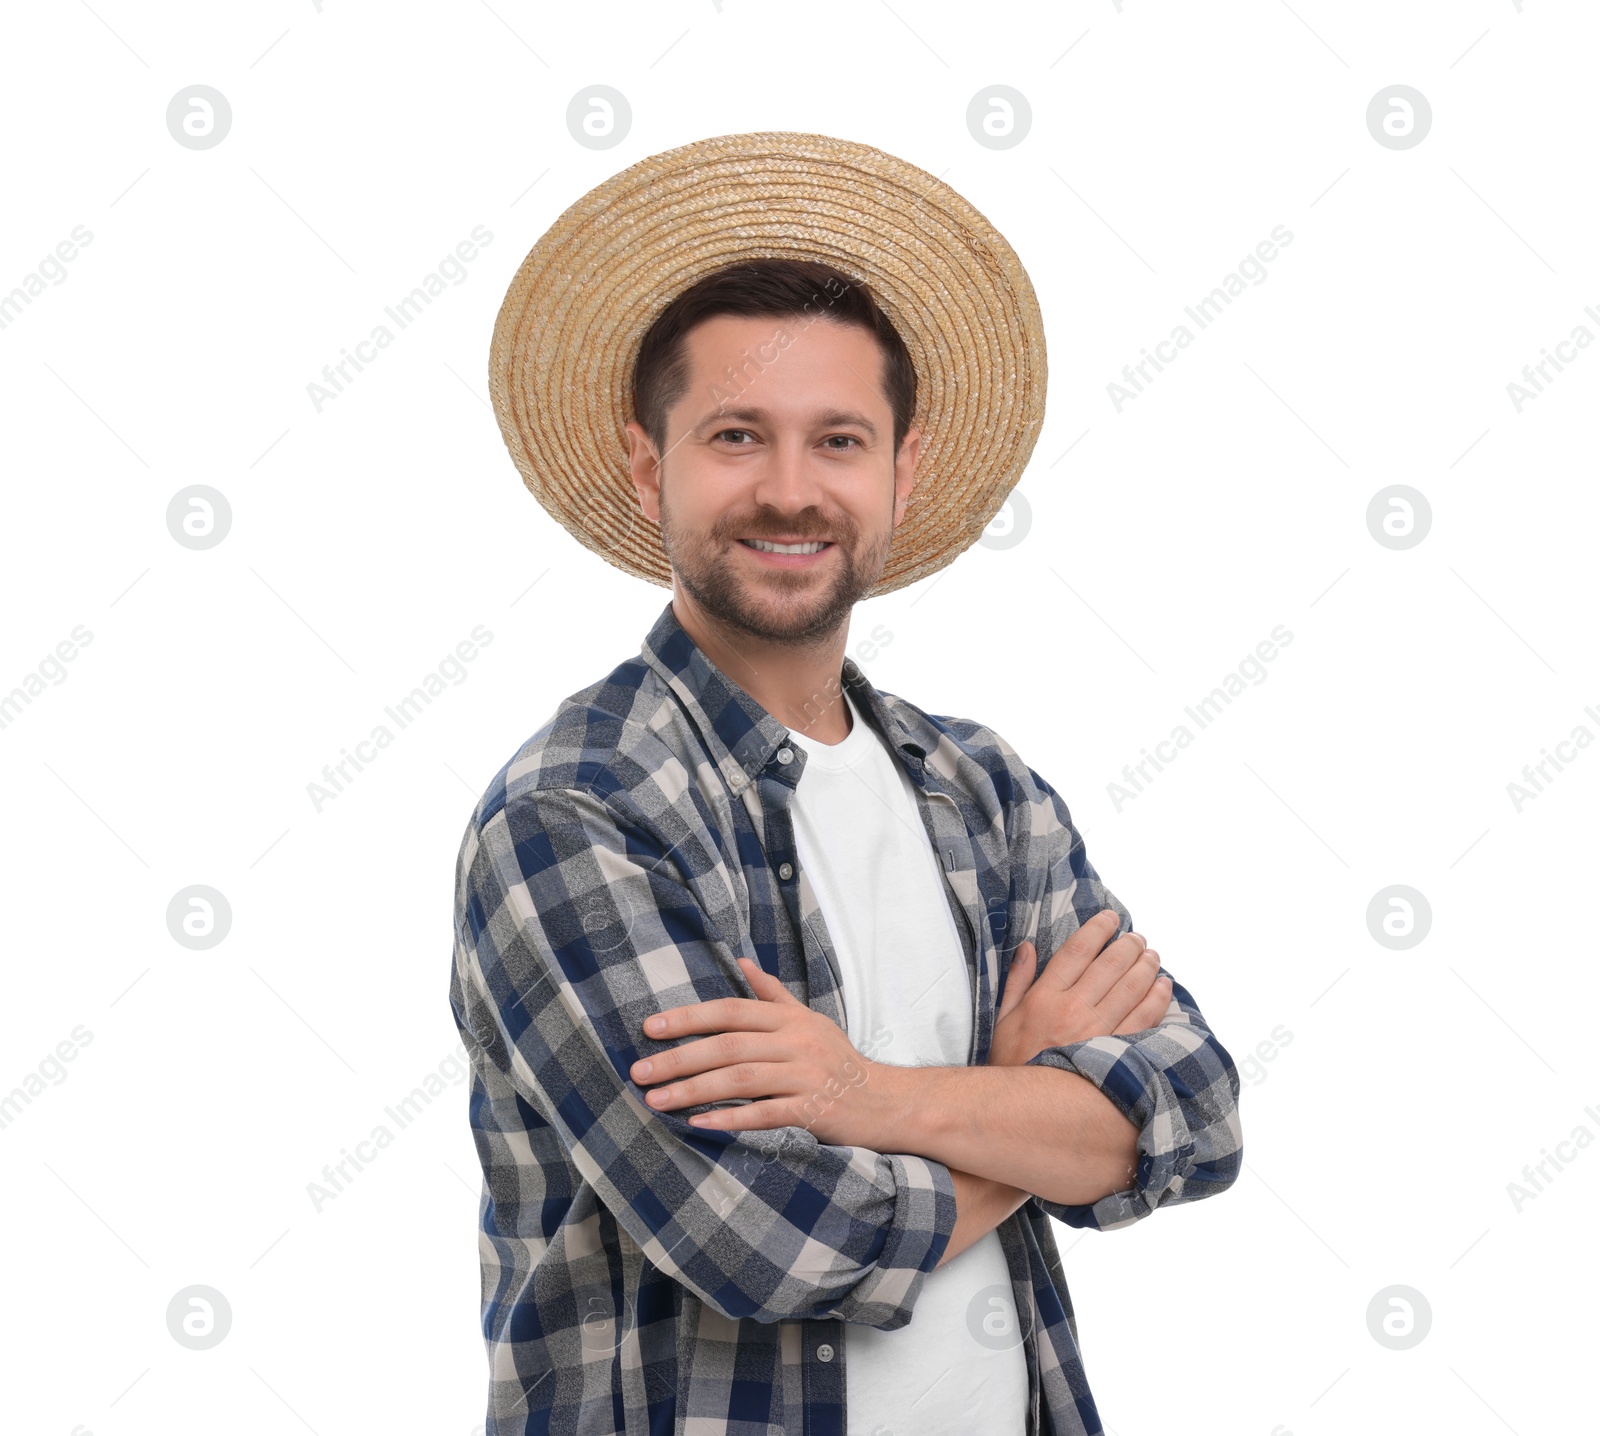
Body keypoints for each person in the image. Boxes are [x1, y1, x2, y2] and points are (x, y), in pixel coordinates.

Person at [451, 131, 1242, 1436]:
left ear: (899, 473)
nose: (788, 489)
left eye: (837, 439)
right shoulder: (575, 816)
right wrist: (1022, 1097)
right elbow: (765, 1242)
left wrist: (860, 1095)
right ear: (650, 469)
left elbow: (1193, 1114)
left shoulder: (983, 791)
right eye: (734, 436)